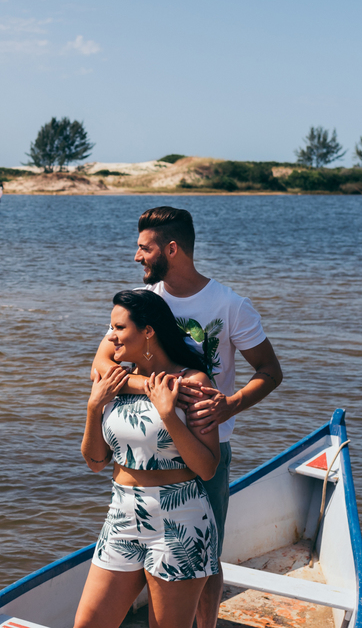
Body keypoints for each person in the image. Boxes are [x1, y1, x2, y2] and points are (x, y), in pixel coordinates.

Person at [90, 207, 283, 628]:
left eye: (144, 248)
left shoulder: (231, 306)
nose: (137, 257)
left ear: (171, 249)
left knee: (207, 559)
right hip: (143, 443)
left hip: (204, 444)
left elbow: (270, 372)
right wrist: (165, 391)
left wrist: (230, 404)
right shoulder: (142, 304)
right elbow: (101, 369)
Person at [76, 289, 220, 628]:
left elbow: (208, 468)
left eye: (119, 328)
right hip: (122, 514)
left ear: (148, 332)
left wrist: (169, 414)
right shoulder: (115, 380)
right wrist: (94, 407)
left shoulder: (193, 383)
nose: (110, 336)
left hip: (179, 520)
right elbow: (96, 462)